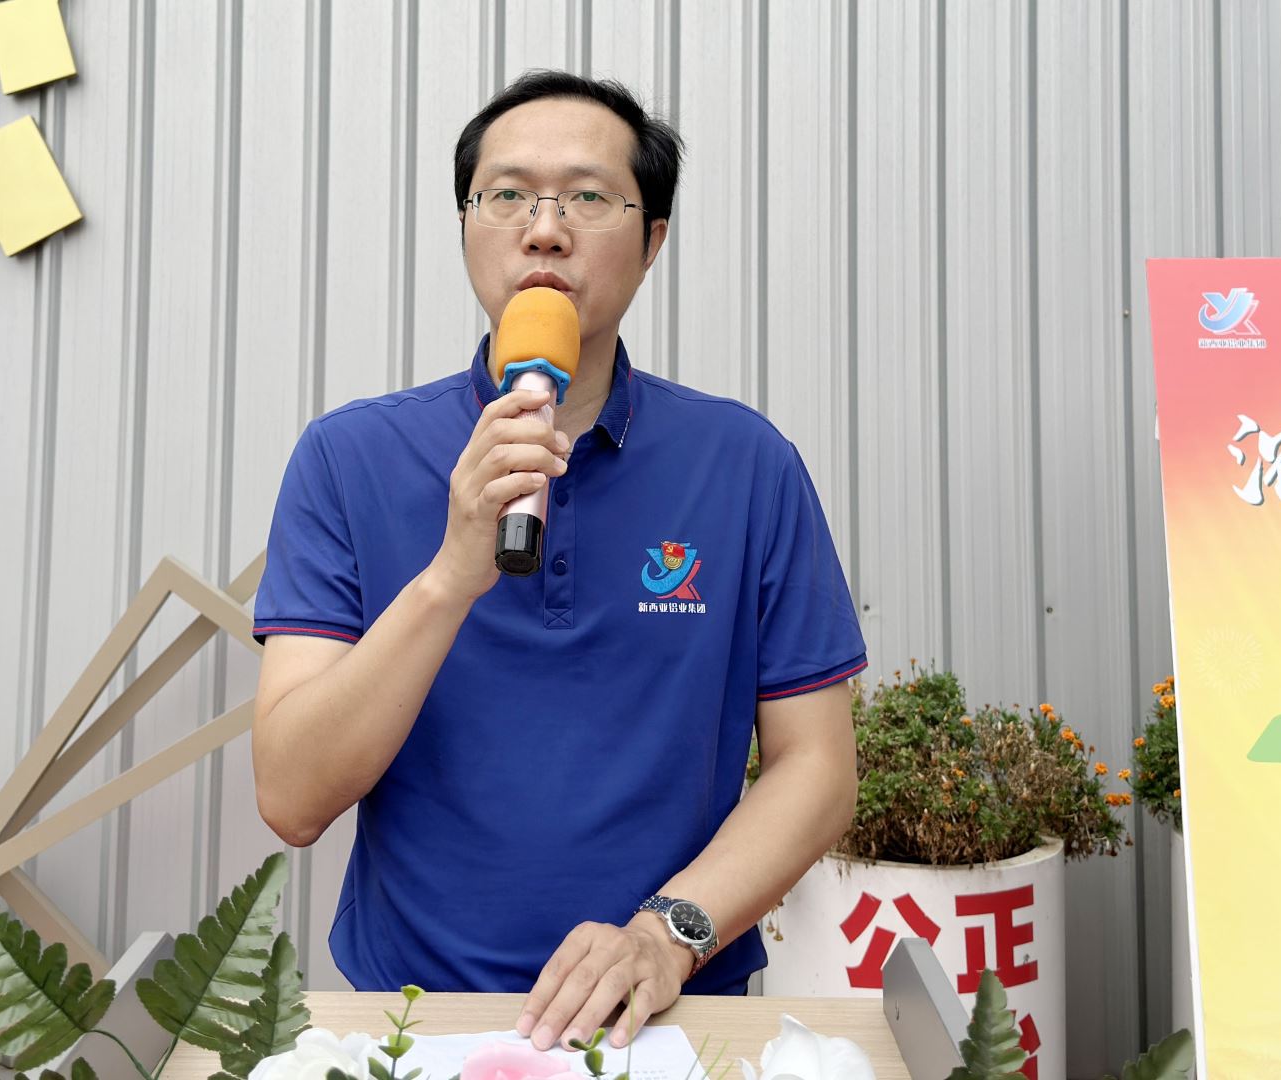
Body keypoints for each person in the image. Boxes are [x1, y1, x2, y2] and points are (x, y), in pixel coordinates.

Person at [251, 70, 865, 1055]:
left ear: (652, 239)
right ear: (466, 226)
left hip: (672, 1016)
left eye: (587, 197)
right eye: (507, 195)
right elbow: (291, 797)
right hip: (411, 1018)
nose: (544, 230)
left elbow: (818, 767)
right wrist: (451, 574)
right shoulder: (347, 457)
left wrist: (667, 936)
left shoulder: (746, 463)